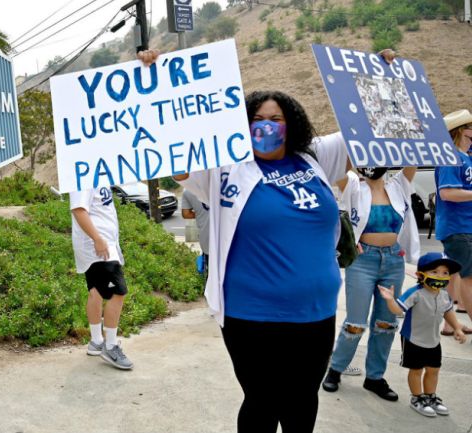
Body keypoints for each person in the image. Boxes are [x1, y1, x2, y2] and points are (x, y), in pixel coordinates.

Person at [174, 90, 348, 432]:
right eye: (256, 120)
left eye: (276, 119)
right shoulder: (223, 169)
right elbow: (172, 153)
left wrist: (383, 71)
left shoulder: (315, 158)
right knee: (262, 402)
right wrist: (153, 74)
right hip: (250, 315)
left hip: (316, 312)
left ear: (292, 123)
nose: (266, 126)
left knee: (302, 400)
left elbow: (367, 130)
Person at [322, 165, 419, 400]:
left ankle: (375, 377)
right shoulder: (354, 184)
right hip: (363, 261)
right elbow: (337, 166)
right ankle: (335, 369)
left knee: (386, 323)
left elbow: (414, 154)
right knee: (355, 322)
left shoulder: (398, 184)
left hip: (394, 261)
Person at [378, 252, 467, 417]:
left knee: (434, 370)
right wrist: (390, 299)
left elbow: (448, 312)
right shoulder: (415, 293)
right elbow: (398, 310)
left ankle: (430, 397)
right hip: (413, 339)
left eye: (445, 273)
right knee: (416, 370)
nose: (440, 276)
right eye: (434, 271)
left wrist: (457, 328)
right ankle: (417, 398)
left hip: (433, 340)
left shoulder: (445, 295)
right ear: (420, 274)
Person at [70, 186, 133, 370]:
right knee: (118, 292)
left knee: (96, 291)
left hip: (103, 243)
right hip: (96, 245)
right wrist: (97, 238)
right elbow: (78, 209)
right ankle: (110, 346)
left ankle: (97, 341)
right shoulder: (83, 175)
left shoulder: (99, 172)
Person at [434, 109, 472, 337]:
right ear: (460, 131)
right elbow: (447, 193)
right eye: (470, 128)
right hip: (459, 227)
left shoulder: (465, 156)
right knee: (469, 278)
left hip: (463, 227)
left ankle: (450, 325)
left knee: (455, 274)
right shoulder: (451, 157)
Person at [180, 189, 210, 277]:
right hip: (229, 236)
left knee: (212, 272)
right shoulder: (224, 185)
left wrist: (201, 214)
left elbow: (186, 214)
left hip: (206, 238)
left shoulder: (188, 191)